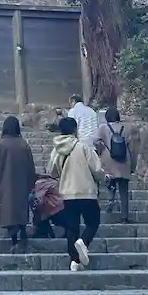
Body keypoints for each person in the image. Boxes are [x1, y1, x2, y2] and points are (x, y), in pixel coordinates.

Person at [48, 115, 105, 271]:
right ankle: (84, 241)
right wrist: (104, 178)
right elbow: (97, 169)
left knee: (72, 227)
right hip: (86, 191)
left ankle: (75, 261)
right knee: (93, 222)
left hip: (67, 193)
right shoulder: (83, 147)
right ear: (75, 130)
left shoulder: (56, 150)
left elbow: (51, 172)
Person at [0, 116, 38, 251]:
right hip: (22, 184)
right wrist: (31, 184)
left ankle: (14, 239)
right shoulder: (24, 144)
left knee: (8, 212)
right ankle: (23, 230)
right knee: (21, 209)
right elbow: (31, 167)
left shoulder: (0, 144)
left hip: (5, 185)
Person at [96, 106, 135, 223]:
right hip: (124, 161)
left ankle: (111, 199)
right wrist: (132, 164)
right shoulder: (126, 128)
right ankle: (124, 217)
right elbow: (131, 146)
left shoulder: (103, 128)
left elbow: (96, 141)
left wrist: (101, 150)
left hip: (109, 160)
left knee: (109, 182)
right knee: (124, 191)